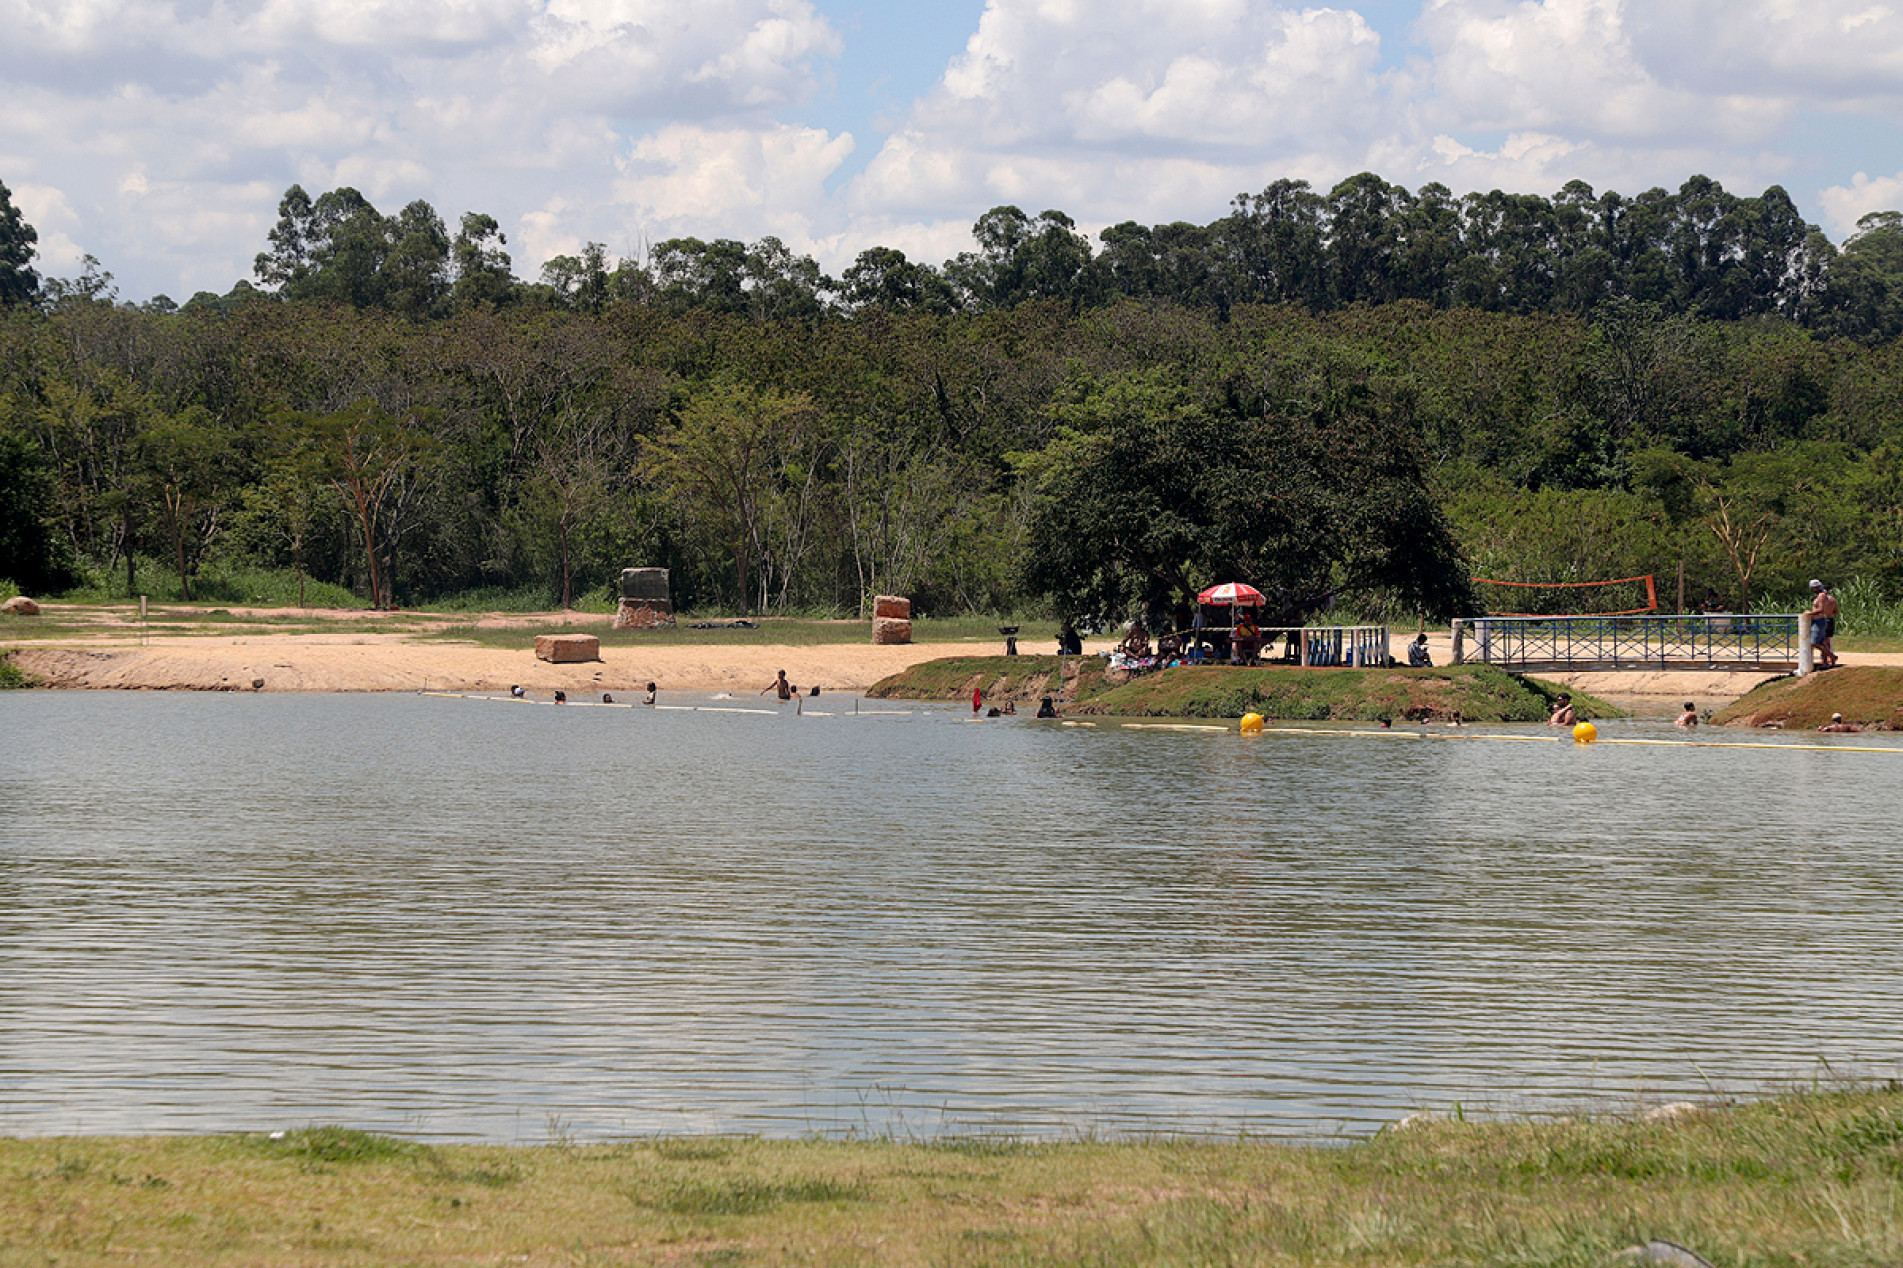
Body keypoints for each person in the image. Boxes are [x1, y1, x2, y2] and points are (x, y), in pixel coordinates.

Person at [1807, 579, 1840, 668]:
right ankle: (1827, 661)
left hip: (1821, 620)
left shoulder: (1821, 596)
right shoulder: (1832, 599)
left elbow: (1820, 609)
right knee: (1825, 642)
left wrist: (1810, 613)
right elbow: (1836, 611)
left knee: (1817, 642)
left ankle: (1830, 657)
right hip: (1829, 619)